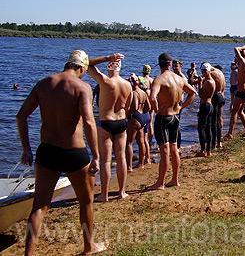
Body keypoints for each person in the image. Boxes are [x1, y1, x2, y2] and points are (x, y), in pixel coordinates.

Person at [16, 50, 105, 255]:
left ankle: (28, 254)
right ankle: (89, 246)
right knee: (86, 201)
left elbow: (21, 116)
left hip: (47, 151)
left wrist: (26, 149)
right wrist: (97, 156)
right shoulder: (82, 87)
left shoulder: (44, 83)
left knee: (39, 206)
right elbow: (90, 123)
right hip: (74, 153)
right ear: (82, 68)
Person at [88, 54, 132, 202]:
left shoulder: (105, 81)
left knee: (106, 161)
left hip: (106, 122)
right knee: (121, 157)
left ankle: (104, 194)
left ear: (109, 67)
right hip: (122, 122)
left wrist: (107, 58)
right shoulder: (128, 85)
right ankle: (122, 192)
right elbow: (128, 106)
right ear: (120, 68)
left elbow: (87, 64)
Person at [148, 52, 197, 189]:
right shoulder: (179, 78)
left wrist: (156, 108)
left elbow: (152, 97)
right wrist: (182, 106)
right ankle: (175, 179)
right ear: (170, 64)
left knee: (164, 151)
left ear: (159, 64)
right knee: (174, 148)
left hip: (164, 118)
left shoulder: (159, 79)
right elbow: (193, 93)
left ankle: (160, 183)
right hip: (175, 117)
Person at [224, 46, 245, 139]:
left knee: (233, 112)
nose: (235, 58)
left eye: (236, 57)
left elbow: (235, 48)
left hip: (241, 91)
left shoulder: (243, 62)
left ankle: (230, 133)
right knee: (240, 111)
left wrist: (243, 48)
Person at [125, 73, 151, 171]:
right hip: (144, 117)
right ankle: (141, 163)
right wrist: (143, 112)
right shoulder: (143, 92)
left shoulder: (134, 92)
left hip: (135, 117)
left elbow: (135, 107)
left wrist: (128, 114)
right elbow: (149, 107)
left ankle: (129, 166)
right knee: (141, 141)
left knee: (129, 143)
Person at [196, 63, 216, 157]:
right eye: (202, 71)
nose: (202, 73)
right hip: (210, 105)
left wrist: (200, 83)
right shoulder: (211, 80)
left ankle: (203, 150)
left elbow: (201, 95)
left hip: (205, 105)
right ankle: (208, 151)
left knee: (201, 128)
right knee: (208, 129)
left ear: (208, 71)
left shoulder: (208, 82)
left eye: (204, 71)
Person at [211, 65, 226, 149]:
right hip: (221, 97)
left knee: (213, 121)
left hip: (215, 97)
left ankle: (213, 143)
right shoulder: (222, 76)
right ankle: (219, 141)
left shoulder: (213, 73)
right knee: (219, 119)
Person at [141, 64, 155, 149]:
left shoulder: (142, 79)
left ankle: (144, 141)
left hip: (144, 103)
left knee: (143, 123)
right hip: (152, 102)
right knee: (150, 122)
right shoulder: (152, 80)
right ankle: (149, 141)